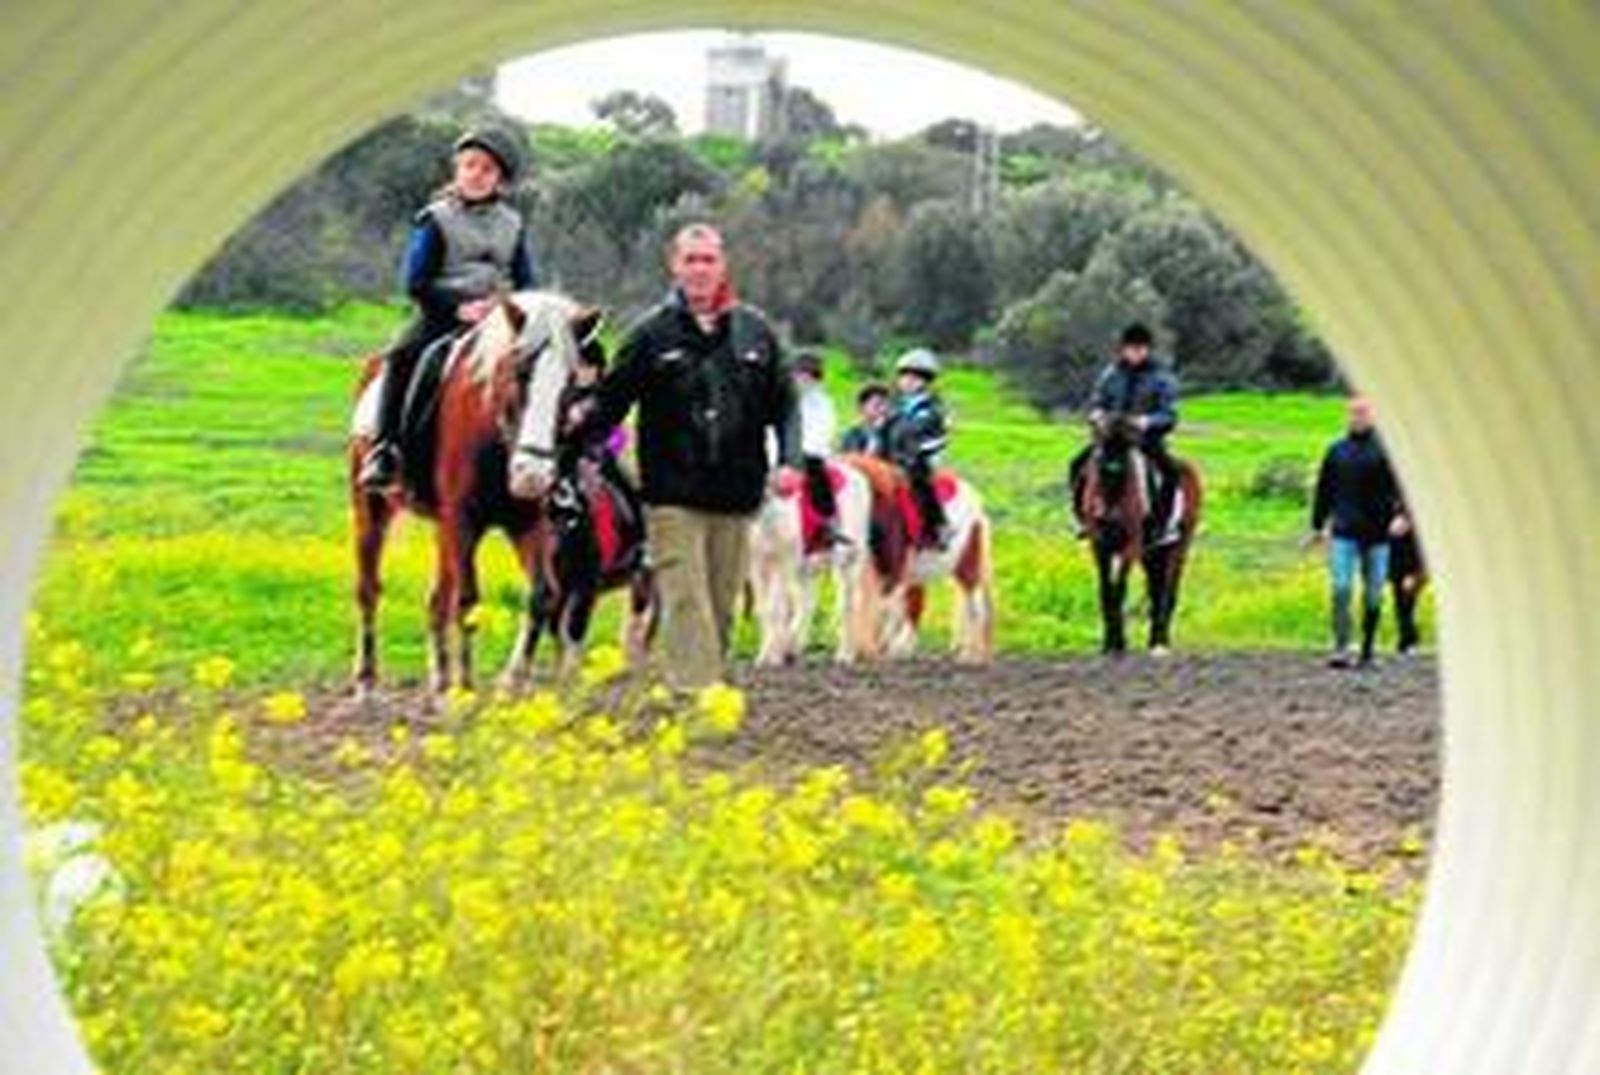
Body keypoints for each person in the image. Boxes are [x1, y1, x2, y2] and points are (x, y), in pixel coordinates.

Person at [580, 223, 801, 689]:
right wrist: (576, 426)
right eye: (691, 260)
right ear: (674, 266)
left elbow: (785, 404)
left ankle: (708, 687)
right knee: (685, 599)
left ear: (723, 266)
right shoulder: (649, 335)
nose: (700, 269)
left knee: (720, 604)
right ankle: (695, 694)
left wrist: (791, 460)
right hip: (671, 494)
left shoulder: (756, 333)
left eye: (708, 260)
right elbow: (612, 402)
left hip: (737, 494)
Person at [358, 127, 537, 490]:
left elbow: (526, 280)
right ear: (457, 170)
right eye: (469, 165)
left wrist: (506, 307)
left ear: (499, 179)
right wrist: (458, 310)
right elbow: (416, 282)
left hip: (497, 319)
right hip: (443, 316)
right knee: (402, 356)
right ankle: (385, 449)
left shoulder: (513, 223)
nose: (476, 174)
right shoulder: (435, 220)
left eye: (487, 169)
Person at [1309, 396, 1406, 668]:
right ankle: (1341, 646)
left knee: (1374, 593)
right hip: (1344, 531)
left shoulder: (1388, 452)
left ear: (1373, 417)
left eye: (1362, 413)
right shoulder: (1336, 451)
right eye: (1353, 413)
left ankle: (1368, 649)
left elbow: (1403, 487)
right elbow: (1324, 489)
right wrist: (1317, 525)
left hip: (1378, 533)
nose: (1357, 418)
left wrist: (1402, 516)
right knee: (1341, 587)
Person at [1069, 322, 1180, 540]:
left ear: (1147, 350)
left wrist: (1146, 421)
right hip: (1111, 439)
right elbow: (1096, 402)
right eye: (1131, 348)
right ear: (1123, 349)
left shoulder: (1162, 378)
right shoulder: (1111, 375)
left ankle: (1162, 525)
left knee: (1171, 473)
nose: (1135, 353)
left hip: (1145, 440)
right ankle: (1083, 519)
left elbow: (1169, 415)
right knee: (1075, 464)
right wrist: (1097, 415)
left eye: (1140, 349)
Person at [882, 348, 951, 549]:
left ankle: (938, 526)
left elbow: (938, 439)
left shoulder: (933, 410)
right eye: (904, 376)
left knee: (920, 483)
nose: (908, 382)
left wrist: (916, 455)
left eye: (915, 378)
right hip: (892, 462)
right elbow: (884, 437)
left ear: (926, 382)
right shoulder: (895, 409)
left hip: (919, 462)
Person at [792, 350, 841, 540]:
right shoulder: (785, 401)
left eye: (807, 376)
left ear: (816, 379)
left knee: (816, 472)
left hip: (811, 452)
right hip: (785, 453)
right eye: (798, 375)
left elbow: (824, 431)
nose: (802, 381)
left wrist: (804, 450)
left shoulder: (823, 403)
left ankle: (828, 519)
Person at [839, 382, 891, 456]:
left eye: (886, 405)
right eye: (877, 405)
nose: (883, 410)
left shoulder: (894, 432)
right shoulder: (852, 434)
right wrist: (875, 434)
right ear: (862, 407)